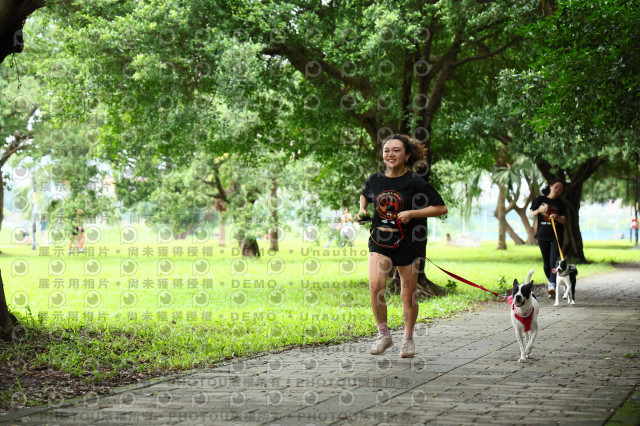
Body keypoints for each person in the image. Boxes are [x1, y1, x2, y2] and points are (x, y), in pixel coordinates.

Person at [357, 134, 447, 358]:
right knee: (376, 286)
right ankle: (383, 334)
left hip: (407, 242)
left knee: (408, 295)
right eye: (387, 150)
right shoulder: (375, 179)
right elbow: (365, 195)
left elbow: (440, 208)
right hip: (380, 240)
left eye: (397, 150)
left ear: (407, 155)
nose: (391, 154)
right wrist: (361, 210)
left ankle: (407, 339)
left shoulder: (414, 181)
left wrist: (412, 213)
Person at [529, 180, 567, 298]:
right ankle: (550, 280)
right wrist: (540, 210)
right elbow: (531, 214)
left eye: (560, 189)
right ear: (550, 186)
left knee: (553, 262)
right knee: (546, 264)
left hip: (556, 235)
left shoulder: (561, 204)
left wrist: (556, 217)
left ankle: (552, 285)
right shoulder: (539, 200)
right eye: (556, 187)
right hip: (542, 235)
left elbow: (563, 220)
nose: (557, 190)